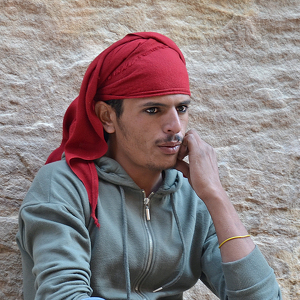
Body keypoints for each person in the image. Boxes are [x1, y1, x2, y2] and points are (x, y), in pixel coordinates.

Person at [16, 32, 282, 300]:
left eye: (182, 108)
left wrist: (216, 196)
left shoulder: (192, 195)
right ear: (107, 117)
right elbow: (64, 296)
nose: (175, 126)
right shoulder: (65, 186)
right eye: (153, 110)